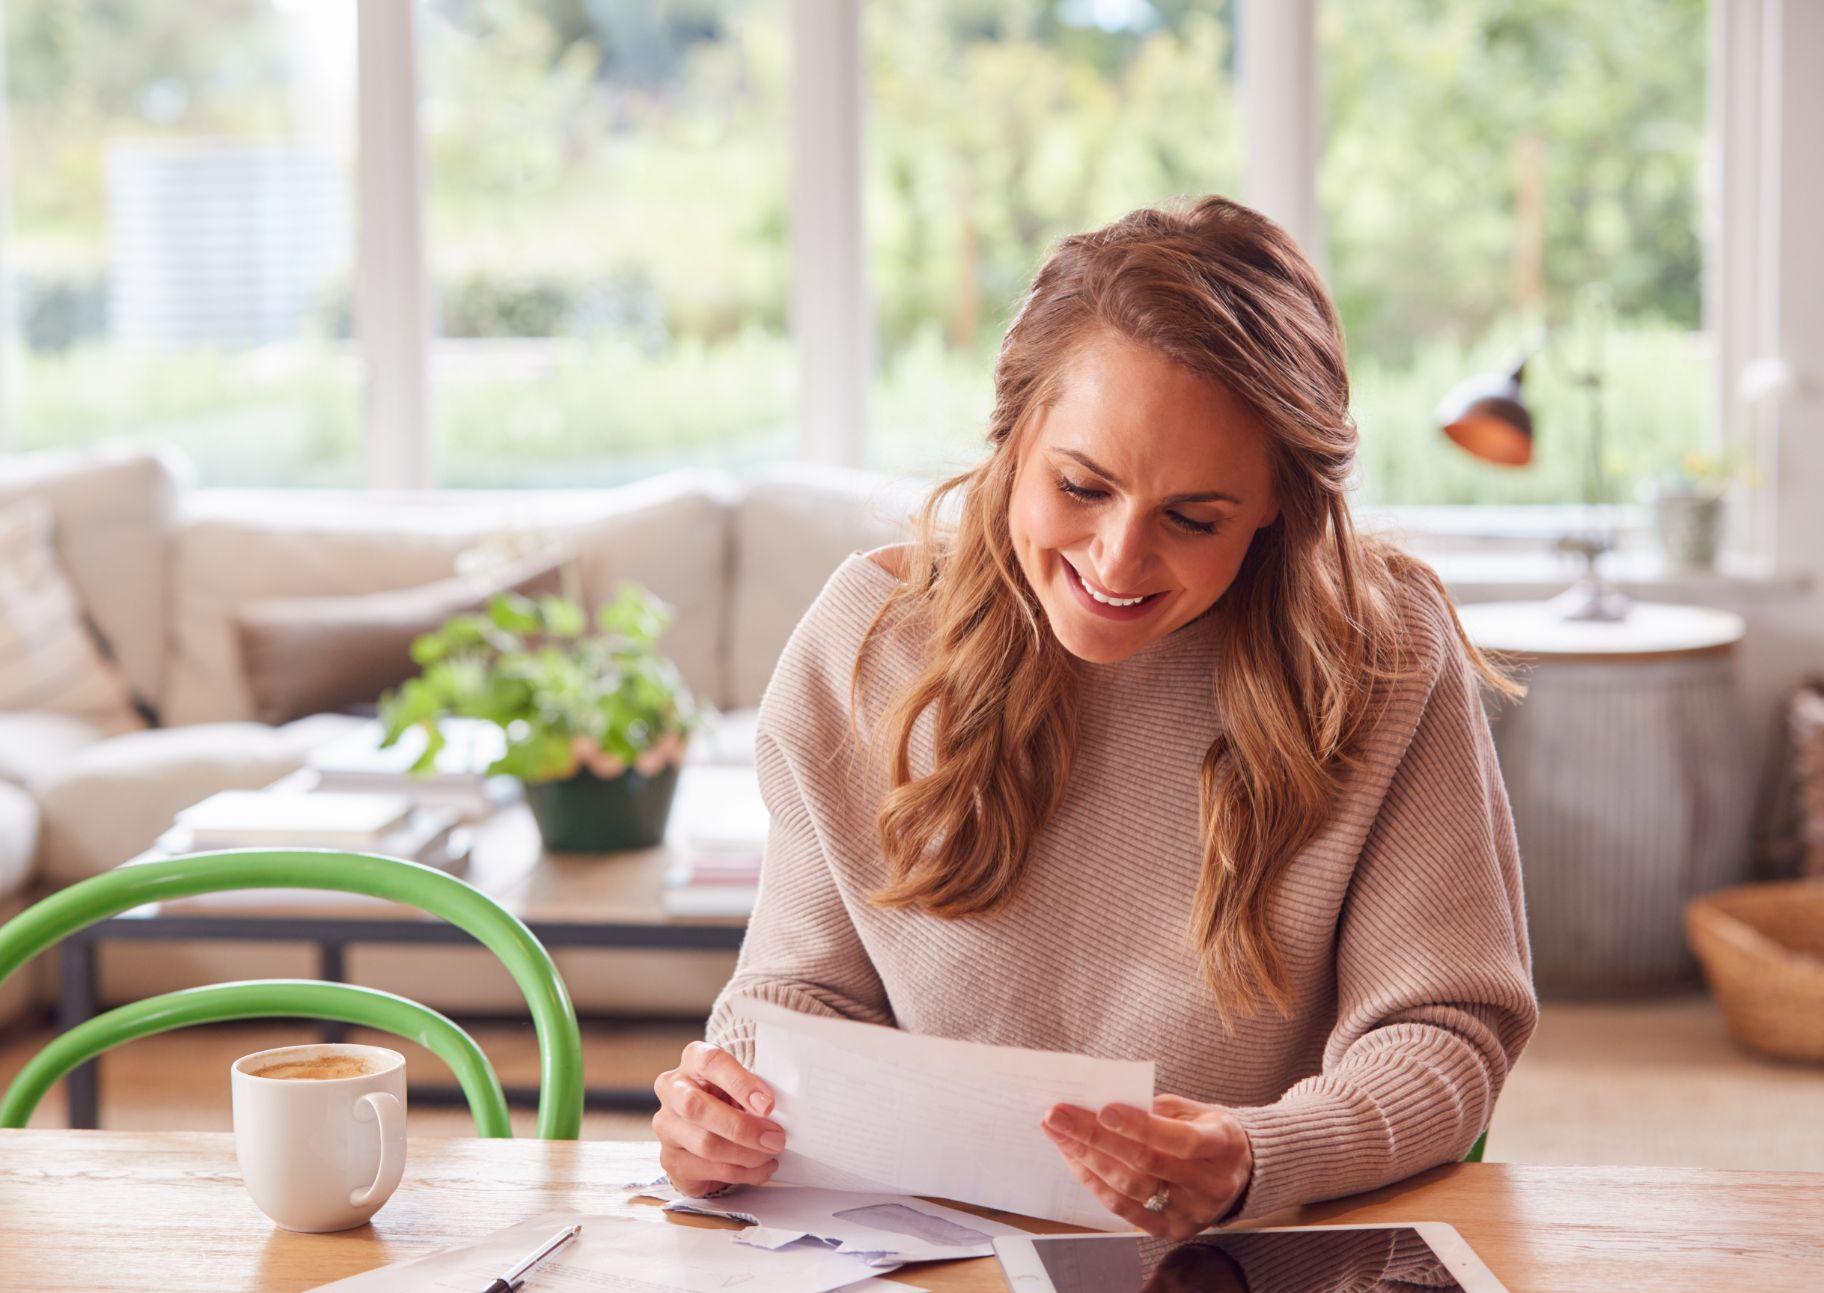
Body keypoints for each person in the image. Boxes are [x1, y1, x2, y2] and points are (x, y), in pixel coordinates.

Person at [651, 195, 1539, 1238]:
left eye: (1191, 518)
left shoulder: (1380, 655)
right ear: (1012, 435)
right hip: (916, 1263)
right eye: (1080, 485)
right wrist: (728, 1110)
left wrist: (1260, 1155)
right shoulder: (867, 639)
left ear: (1274, 507)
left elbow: (1440, 1028)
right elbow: (797, 999)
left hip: (1234, 1259)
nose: (1116, 561)